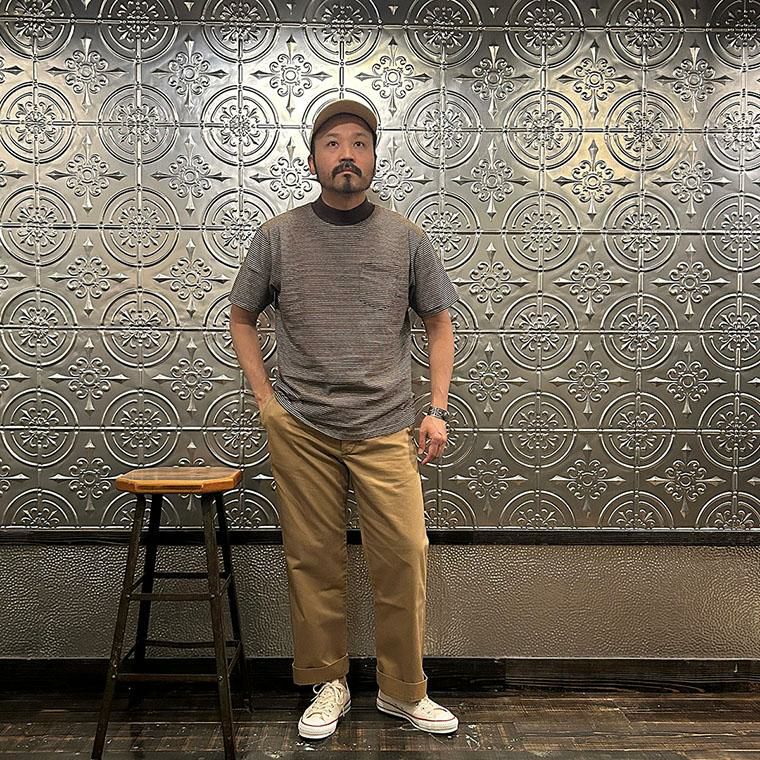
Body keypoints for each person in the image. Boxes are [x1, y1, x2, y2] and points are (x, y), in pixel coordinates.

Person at [228, 98, 459, 740]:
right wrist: (266, 402)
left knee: (404, 556)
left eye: (360, 142)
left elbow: (439, 322)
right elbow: (241, 315)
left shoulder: (407, 237)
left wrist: (436, 409)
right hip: (301, 425)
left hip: (387, 424)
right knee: (313, 558)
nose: (347, 154)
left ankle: (404, 689)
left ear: (376, 158)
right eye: (333, 144)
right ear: (312, 160)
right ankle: (327, 682)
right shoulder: (277, 236)